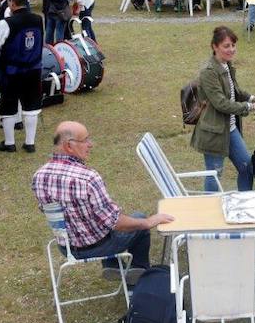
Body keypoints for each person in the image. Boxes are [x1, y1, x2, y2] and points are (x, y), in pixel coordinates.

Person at [31, 121, 175, 284]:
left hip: (66, 247)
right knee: (140, 222)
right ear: (69, 146)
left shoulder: (39, 176)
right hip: (97, 246)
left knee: (101, 221)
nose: (90, 144)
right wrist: (149, 221)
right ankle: (139, 275)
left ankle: (114, 266)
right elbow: (115, 222)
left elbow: (48, 211)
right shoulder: (88, 178)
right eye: (85, 140)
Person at [190, 26, 255, 192]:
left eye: (233, 45)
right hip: (214, 133)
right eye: (226, 46)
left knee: (247, 166)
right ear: (214, 47)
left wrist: (252, 97)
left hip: (230, 129)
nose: (231, 49)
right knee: (214, 175)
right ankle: (209, 212)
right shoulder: (209, 72)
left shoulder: (226, 65)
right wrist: (251, 106)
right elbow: (221, 103)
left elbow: (234, 92)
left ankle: (244, 201)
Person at [0, 0, 43, 154]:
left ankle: (10, 143)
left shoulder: (8, 22)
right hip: (34, 69)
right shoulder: (38, 19)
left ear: (12, 3)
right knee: (31, 107)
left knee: (8, 107)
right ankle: (30, 143)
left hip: (12, 71)